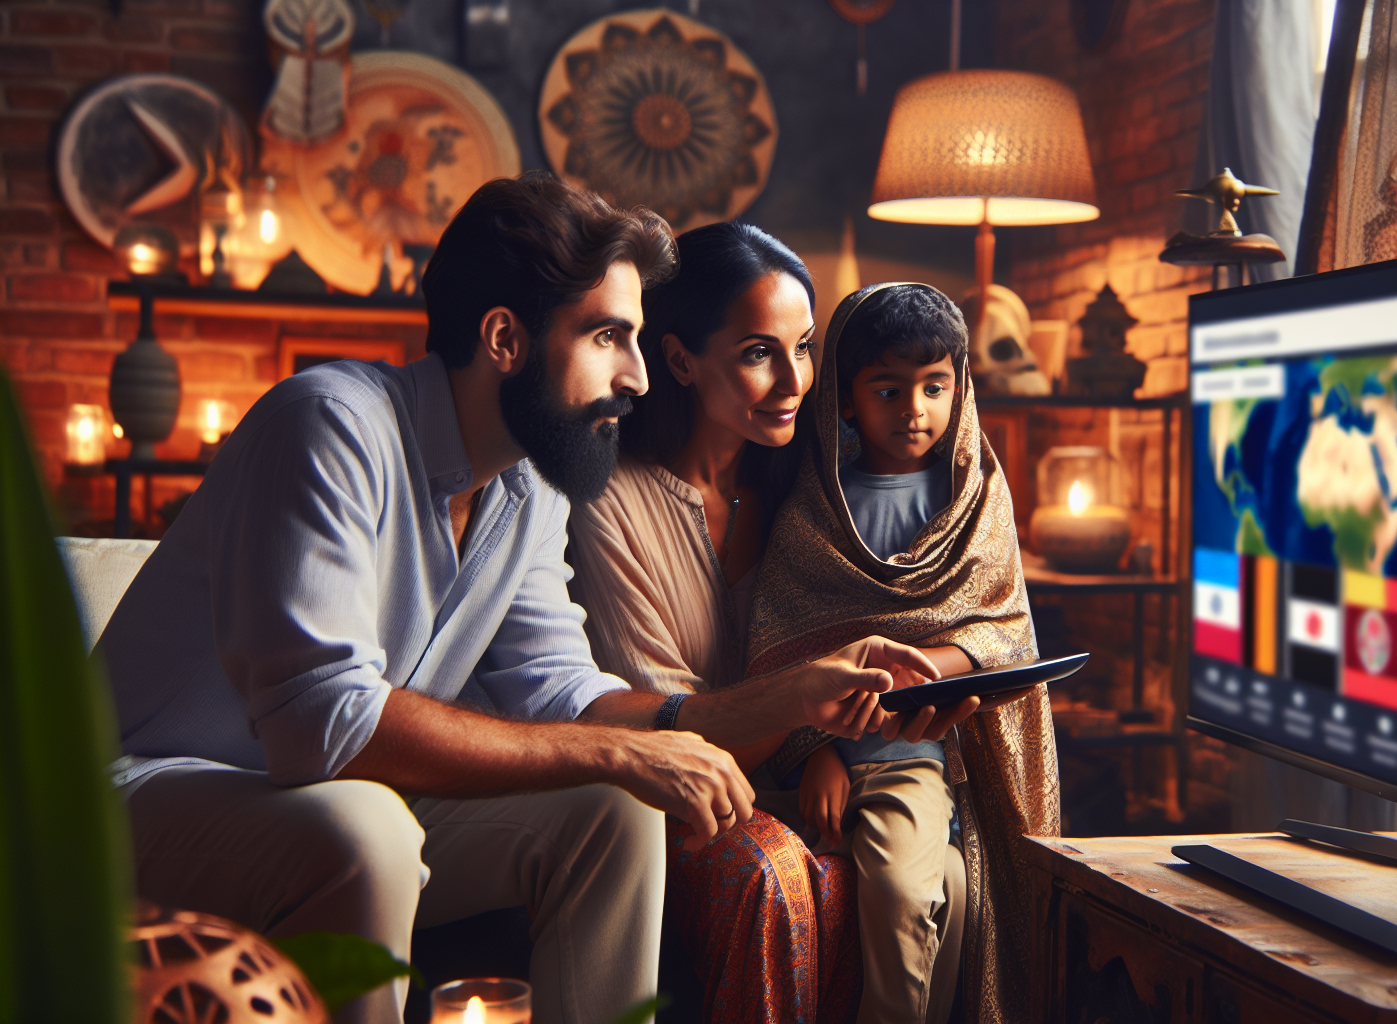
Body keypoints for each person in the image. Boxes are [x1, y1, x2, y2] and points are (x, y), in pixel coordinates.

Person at [98, 174, 937, 1024]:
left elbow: (566, 693)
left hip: (331, 800)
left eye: (639, 339)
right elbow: (324, 725)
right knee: (369, 830)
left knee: (613, 814)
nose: (641, 377)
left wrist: (790, 699)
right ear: (504, 337)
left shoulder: (528, 488)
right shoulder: (329, 424)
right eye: (610, 336)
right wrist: (611, 754)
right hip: (138, 801)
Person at [564, 225, 985, 1024]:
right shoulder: (610, 503)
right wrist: (812, 725)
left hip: (812, 772)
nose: (795, 379)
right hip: (670, 791)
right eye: (760, 352)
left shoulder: (810, 479)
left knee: (948, 882)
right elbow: (669, 732)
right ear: (681, 359)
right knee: (771, 871)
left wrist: (842, 733)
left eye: (806, 346)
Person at [747, 283, 1060, 1024]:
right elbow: (782, 651)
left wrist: (913, 677)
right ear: (847, 401)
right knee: (916, 880)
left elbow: (1001, 629)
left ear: (960, 387)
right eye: (888, 390)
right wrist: (815, 748)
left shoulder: (975, 496)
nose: (914, 410)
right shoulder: (816, 511)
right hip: (814, 754)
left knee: (900, 891)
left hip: (913, 753)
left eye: (934, 387)